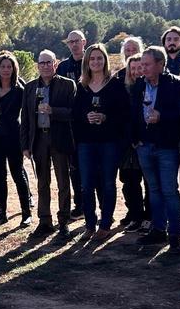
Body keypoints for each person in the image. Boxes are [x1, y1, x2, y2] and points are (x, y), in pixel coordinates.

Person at [132, 46, 180, 254]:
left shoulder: (176, 85)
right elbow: (133, 113)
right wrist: (134, 139)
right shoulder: (139, 85)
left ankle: (174, 235)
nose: (142, 68)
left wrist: (161, 116)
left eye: (146, 64)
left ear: (160, 64)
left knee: (169, 190)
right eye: (142, 64)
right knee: (153, 190)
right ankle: (158, 229)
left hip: (166, 146)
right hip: (144, 145)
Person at [73, 43, 131, 240]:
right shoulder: (81, 87)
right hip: (86, 143)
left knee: (108, 183)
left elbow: (124, 115)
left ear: (105, 60)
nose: (96, 62)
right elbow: (75, 115)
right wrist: (85, 117)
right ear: (87, 62)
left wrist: (106, 118)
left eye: (100, 58)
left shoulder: (115, 85)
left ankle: (105, 224)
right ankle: (90, 224)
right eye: (92, 59)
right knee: (87, 185)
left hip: (109, 142)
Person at [20, 50, 76, 243]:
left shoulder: (68, 85)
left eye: (48, 62)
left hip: (59, 138)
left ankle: (64, 222)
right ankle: (45, 221)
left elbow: (73, 113)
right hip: (39, 140)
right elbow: (26, 117)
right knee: (42, 182)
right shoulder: (29, 87)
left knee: (63, 182)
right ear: (37, 65)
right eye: (41, 62)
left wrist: (54, 111)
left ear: (55, 63)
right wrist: (25, 145)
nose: (44, 66)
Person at [0, 52, 31, 228]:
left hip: (13, 138)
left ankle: (26, 213)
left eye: (9, 66)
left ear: (14, 69)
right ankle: (1, 214)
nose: (6, 70)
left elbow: (24, 117)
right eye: (2, 66)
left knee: (18, 175)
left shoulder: (20, 91)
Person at [114, 39, 148, 231]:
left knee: (150, 182)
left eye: (134, 50)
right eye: (127, 50)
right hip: (125, 142)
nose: (135, 71)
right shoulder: (119, 81)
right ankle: (134, 214)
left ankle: (148, 216)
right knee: (129, 180)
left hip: (145, 140)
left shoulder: (150, 84)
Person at [57, 30, 87, 215]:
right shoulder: (62, 67)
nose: (74, 44)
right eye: (70, 42)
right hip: (69, 124)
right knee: (74, 168)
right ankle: (79, 205)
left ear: (84, 42)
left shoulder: (92, 62)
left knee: (92, 167)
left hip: (89, 123)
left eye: (77, 41)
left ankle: (93, 205)